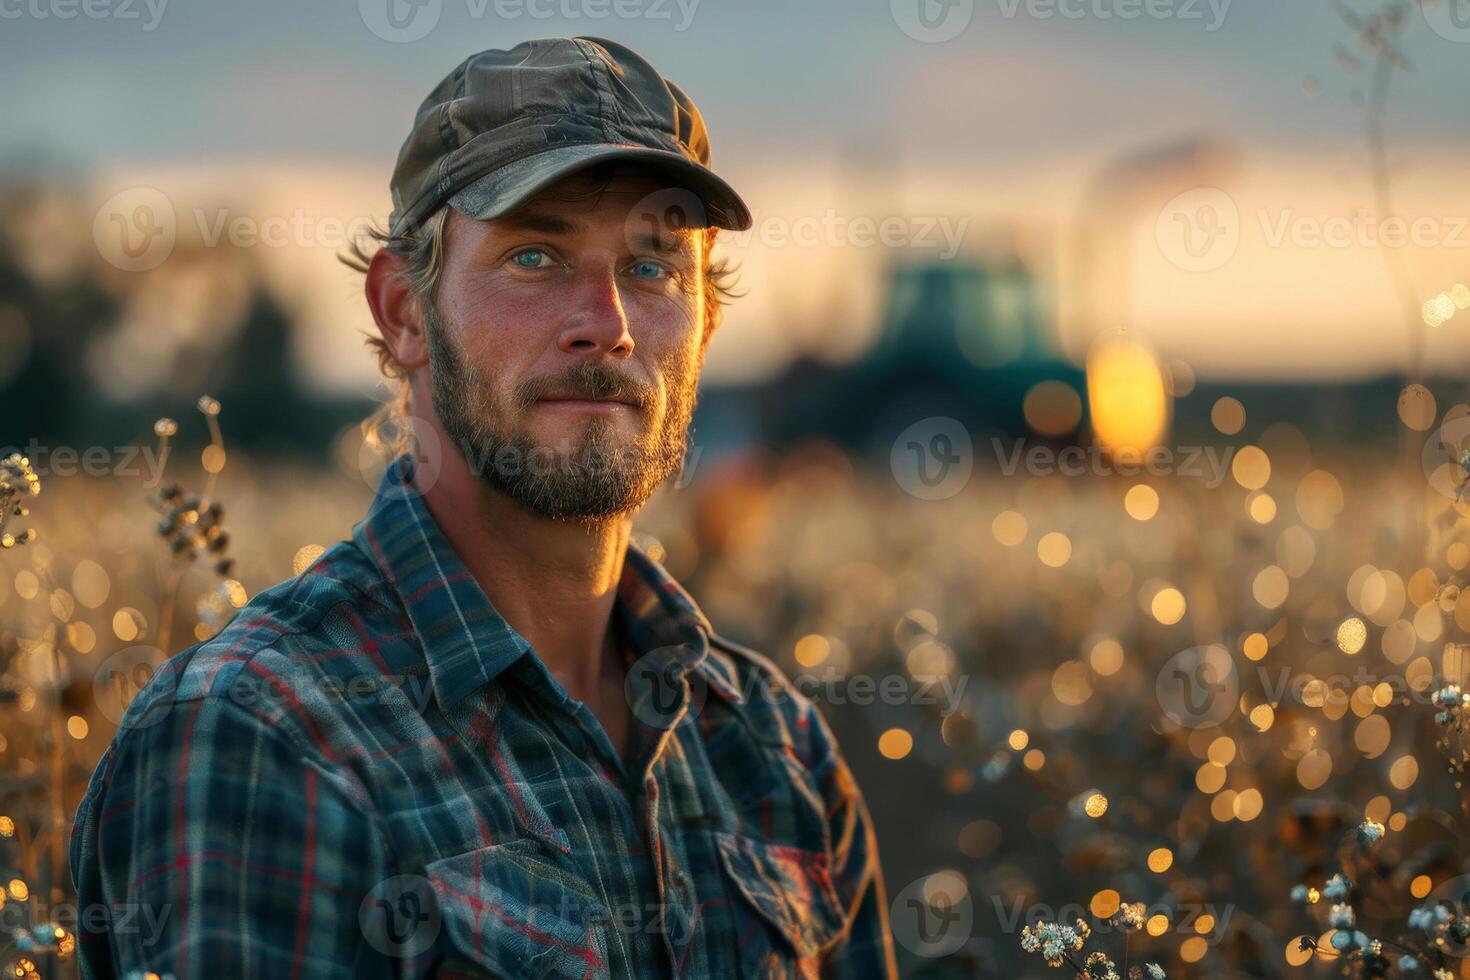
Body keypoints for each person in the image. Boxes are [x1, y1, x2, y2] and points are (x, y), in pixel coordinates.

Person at [70, 36, 897, 978]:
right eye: (536, 255)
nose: (608, 322)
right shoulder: (263, 737)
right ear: (404, 313)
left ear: (708, 319)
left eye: (655, 266)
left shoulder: (773, 752)